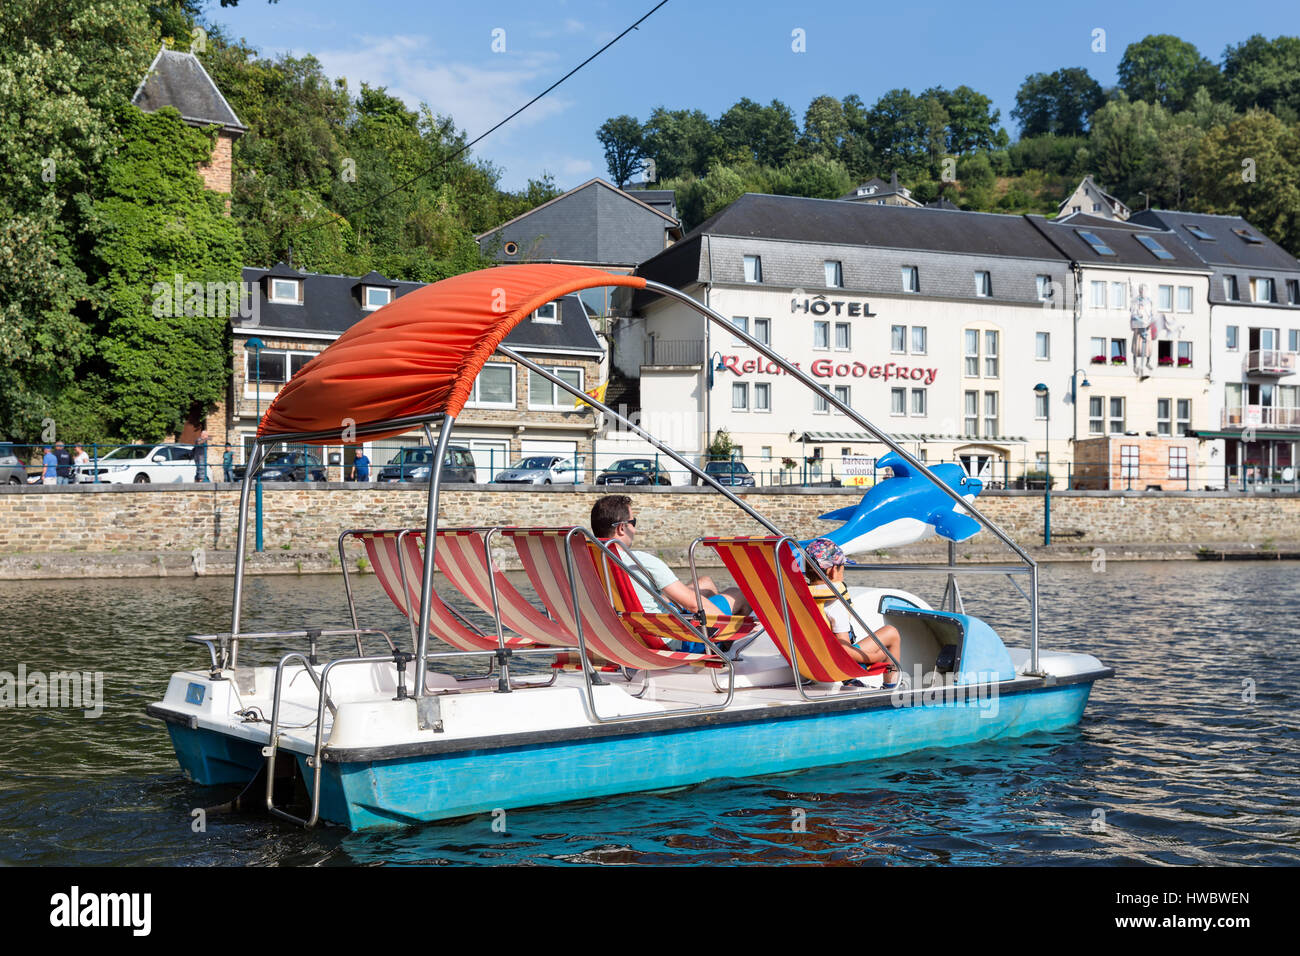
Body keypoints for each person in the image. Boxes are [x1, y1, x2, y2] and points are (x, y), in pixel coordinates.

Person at [590, 494, 749, 620]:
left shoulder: (586, 563)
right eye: (634, 522)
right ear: (621, 528)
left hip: (625, 633)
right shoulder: (641, 562)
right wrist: (733, 628)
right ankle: (721, 642)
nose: (635, 530)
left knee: (705, 582)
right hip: (674, 637)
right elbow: (695, 606)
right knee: (738, 593)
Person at [803, 537, 904, 688]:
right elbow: (843, 649)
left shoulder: (801, 595)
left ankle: (849, 682)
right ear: (832, 570)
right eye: (843, 567)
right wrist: (872, 657)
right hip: (836, 663)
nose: (844, 571)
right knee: (891, 634)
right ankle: (892, 685)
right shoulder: (834, 603)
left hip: (810, 661)